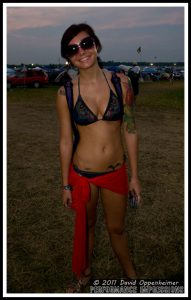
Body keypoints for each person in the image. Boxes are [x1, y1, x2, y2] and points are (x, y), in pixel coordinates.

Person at [56, 23, 142, 293]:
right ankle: (84, 275)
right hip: (83, 175)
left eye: (86, 43)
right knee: (88, 227)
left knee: (117, 229)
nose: (81, 51)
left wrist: (135, 176)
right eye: (73, 49)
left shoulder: (122, 82)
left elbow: (129, 130)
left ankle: (132, 279)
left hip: (116, 171)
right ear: (68, 57)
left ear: (97, 45)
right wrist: (65, 184)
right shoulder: (65, 93)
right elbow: (66, 141)